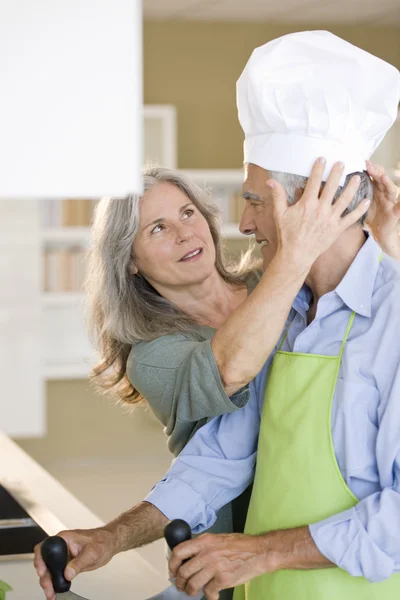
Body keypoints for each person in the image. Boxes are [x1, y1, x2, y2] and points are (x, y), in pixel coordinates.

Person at [34, 31, 400, 600]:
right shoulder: (284, 316)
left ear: (308, 208)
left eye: (254, 200)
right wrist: (111, 536)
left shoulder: (385, 315)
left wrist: (261, 551)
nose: (244, 225)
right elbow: (219, 459)